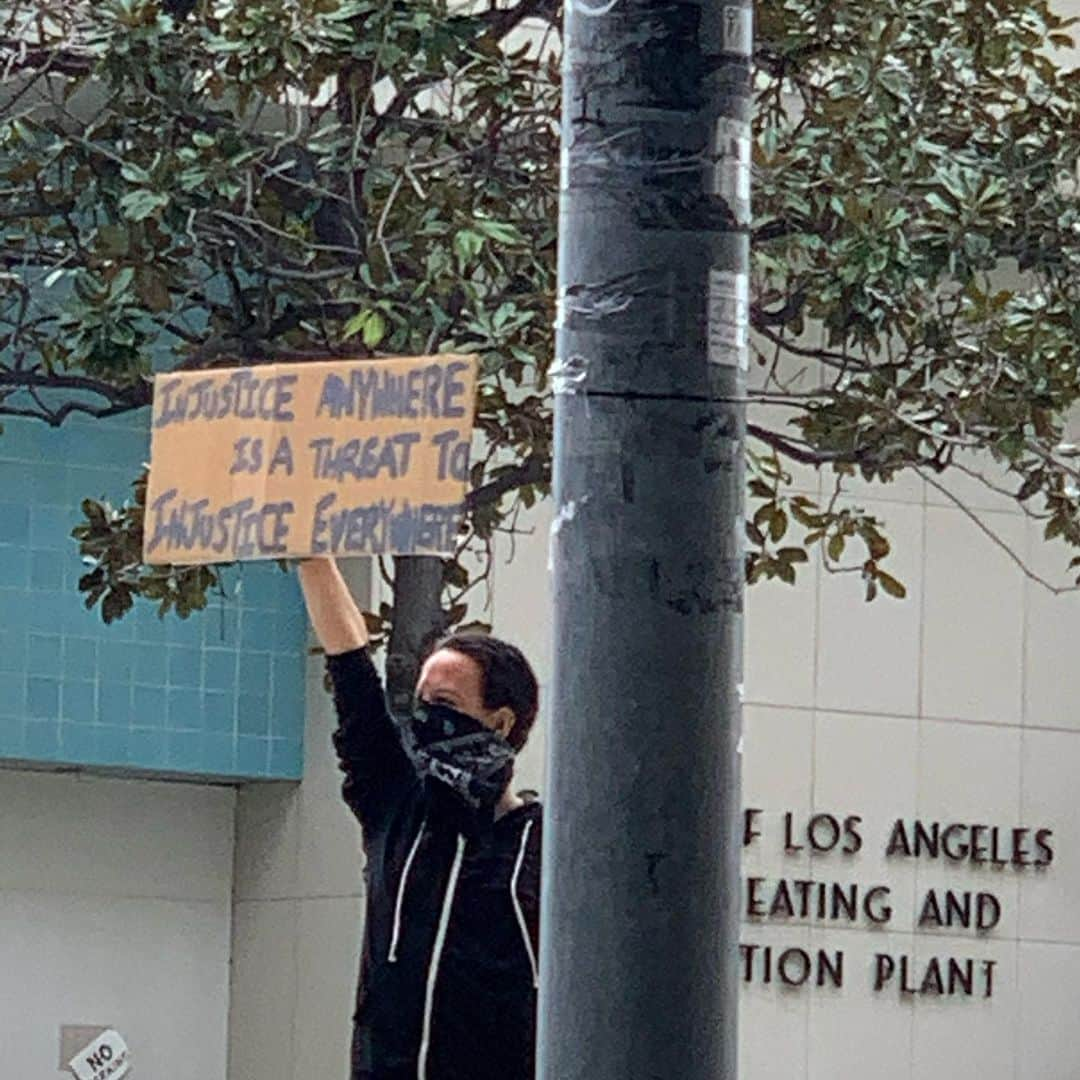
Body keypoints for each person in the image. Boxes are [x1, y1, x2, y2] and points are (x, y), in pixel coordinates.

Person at [298, 558, 542, 1080]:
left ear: (500, 722)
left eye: (446, 703)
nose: (425, 717)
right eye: (421, 701)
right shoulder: (398, 806)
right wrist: (311, 555)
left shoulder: (549, 846)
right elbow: (351, 669)